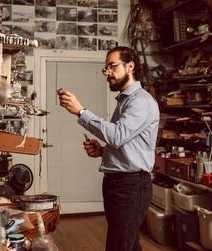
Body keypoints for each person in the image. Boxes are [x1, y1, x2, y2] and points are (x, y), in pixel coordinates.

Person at [58, 46, 160, 251]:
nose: (108, 73)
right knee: (128, 245)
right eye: (106, 69)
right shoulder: (125, 101)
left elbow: (117, 136)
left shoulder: (141, 101)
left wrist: (81, 111)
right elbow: (126, 142)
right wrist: (102, 151)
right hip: (118, 184)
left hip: (131, 186)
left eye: (112, 66)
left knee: (118, 246)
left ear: (130, 66)